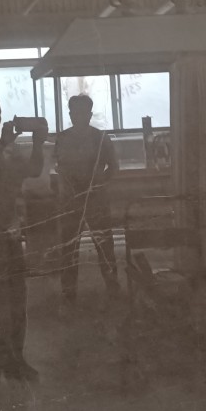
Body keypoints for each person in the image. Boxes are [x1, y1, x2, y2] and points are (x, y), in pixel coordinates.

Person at [53, 94, 120, 304]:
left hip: (95, 200)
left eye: (82, 112)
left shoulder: (101, 138)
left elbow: (114, 168)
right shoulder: (62, 138)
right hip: (70, 201)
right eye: (74, 112)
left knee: (105, 245)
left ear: (89, 115)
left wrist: (98, 184)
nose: (78, 116)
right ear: (70, 114)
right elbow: (59, 167)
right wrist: (67, 186)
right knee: (68, 248)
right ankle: (68, 292)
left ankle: (113, 288)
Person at [0, 113, 46, 381]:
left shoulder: (8, 153)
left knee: (16, 298)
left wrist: (38, 142)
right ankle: (4, 358)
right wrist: (2, 145)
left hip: (10, 235)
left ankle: (15, 357)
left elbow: (34, 170)